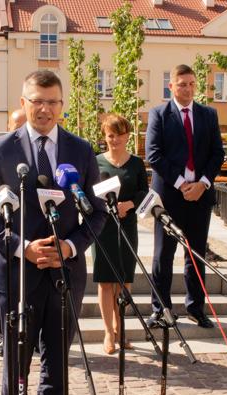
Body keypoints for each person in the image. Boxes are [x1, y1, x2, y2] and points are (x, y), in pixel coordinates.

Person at [0, 70, 107, 395]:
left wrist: (69, 247)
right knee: (16, 366)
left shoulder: (81, 150)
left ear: (62, 105)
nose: (45, 109)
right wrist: (23, 248)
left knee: (56, 366)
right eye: (37, 101)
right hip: (17, 278)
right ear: (24, 102)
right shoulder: (0, 150)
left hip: (64, 277)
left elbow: (97, 213)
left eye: (52, 102)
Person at [145, 64, 225, 329]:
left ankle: (195, 308)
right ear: (171, 86)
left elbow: (217, 153)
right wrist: (182, 184)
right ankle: (161, 308)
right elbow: (153, 154)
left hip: (200, 197)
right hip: (169, 196)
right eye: (182, 84)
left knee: (196, 254)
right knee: (163, 255)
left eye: (191, 84)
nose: (188, 89)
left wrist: (202, 183)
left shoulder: (208, 114)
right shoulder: (159, 114)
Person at [94, 114, 149, 354]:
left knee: (124, 281)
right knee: (106, 281)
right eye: (110, 135)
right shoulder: (96, 162)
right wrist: (104, 205)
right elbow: (88, 192)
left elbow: (144, 192)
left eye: (120, 135)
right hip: (103, 226)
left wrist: (130, 204)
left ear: (127, 136)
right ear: (105, 137)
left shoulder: (136, 163)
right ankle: (109, 332)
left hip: (127, 225)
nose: (115, 139)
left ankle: (122, 328)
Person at [0, 107, 29, 358]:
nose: (21, 130)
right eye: (17, 126)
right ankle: (2, 334)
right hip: (6, 233)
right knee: (3, 291)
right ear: (8, 127)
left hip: (32, 237)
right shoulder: (0, 151)